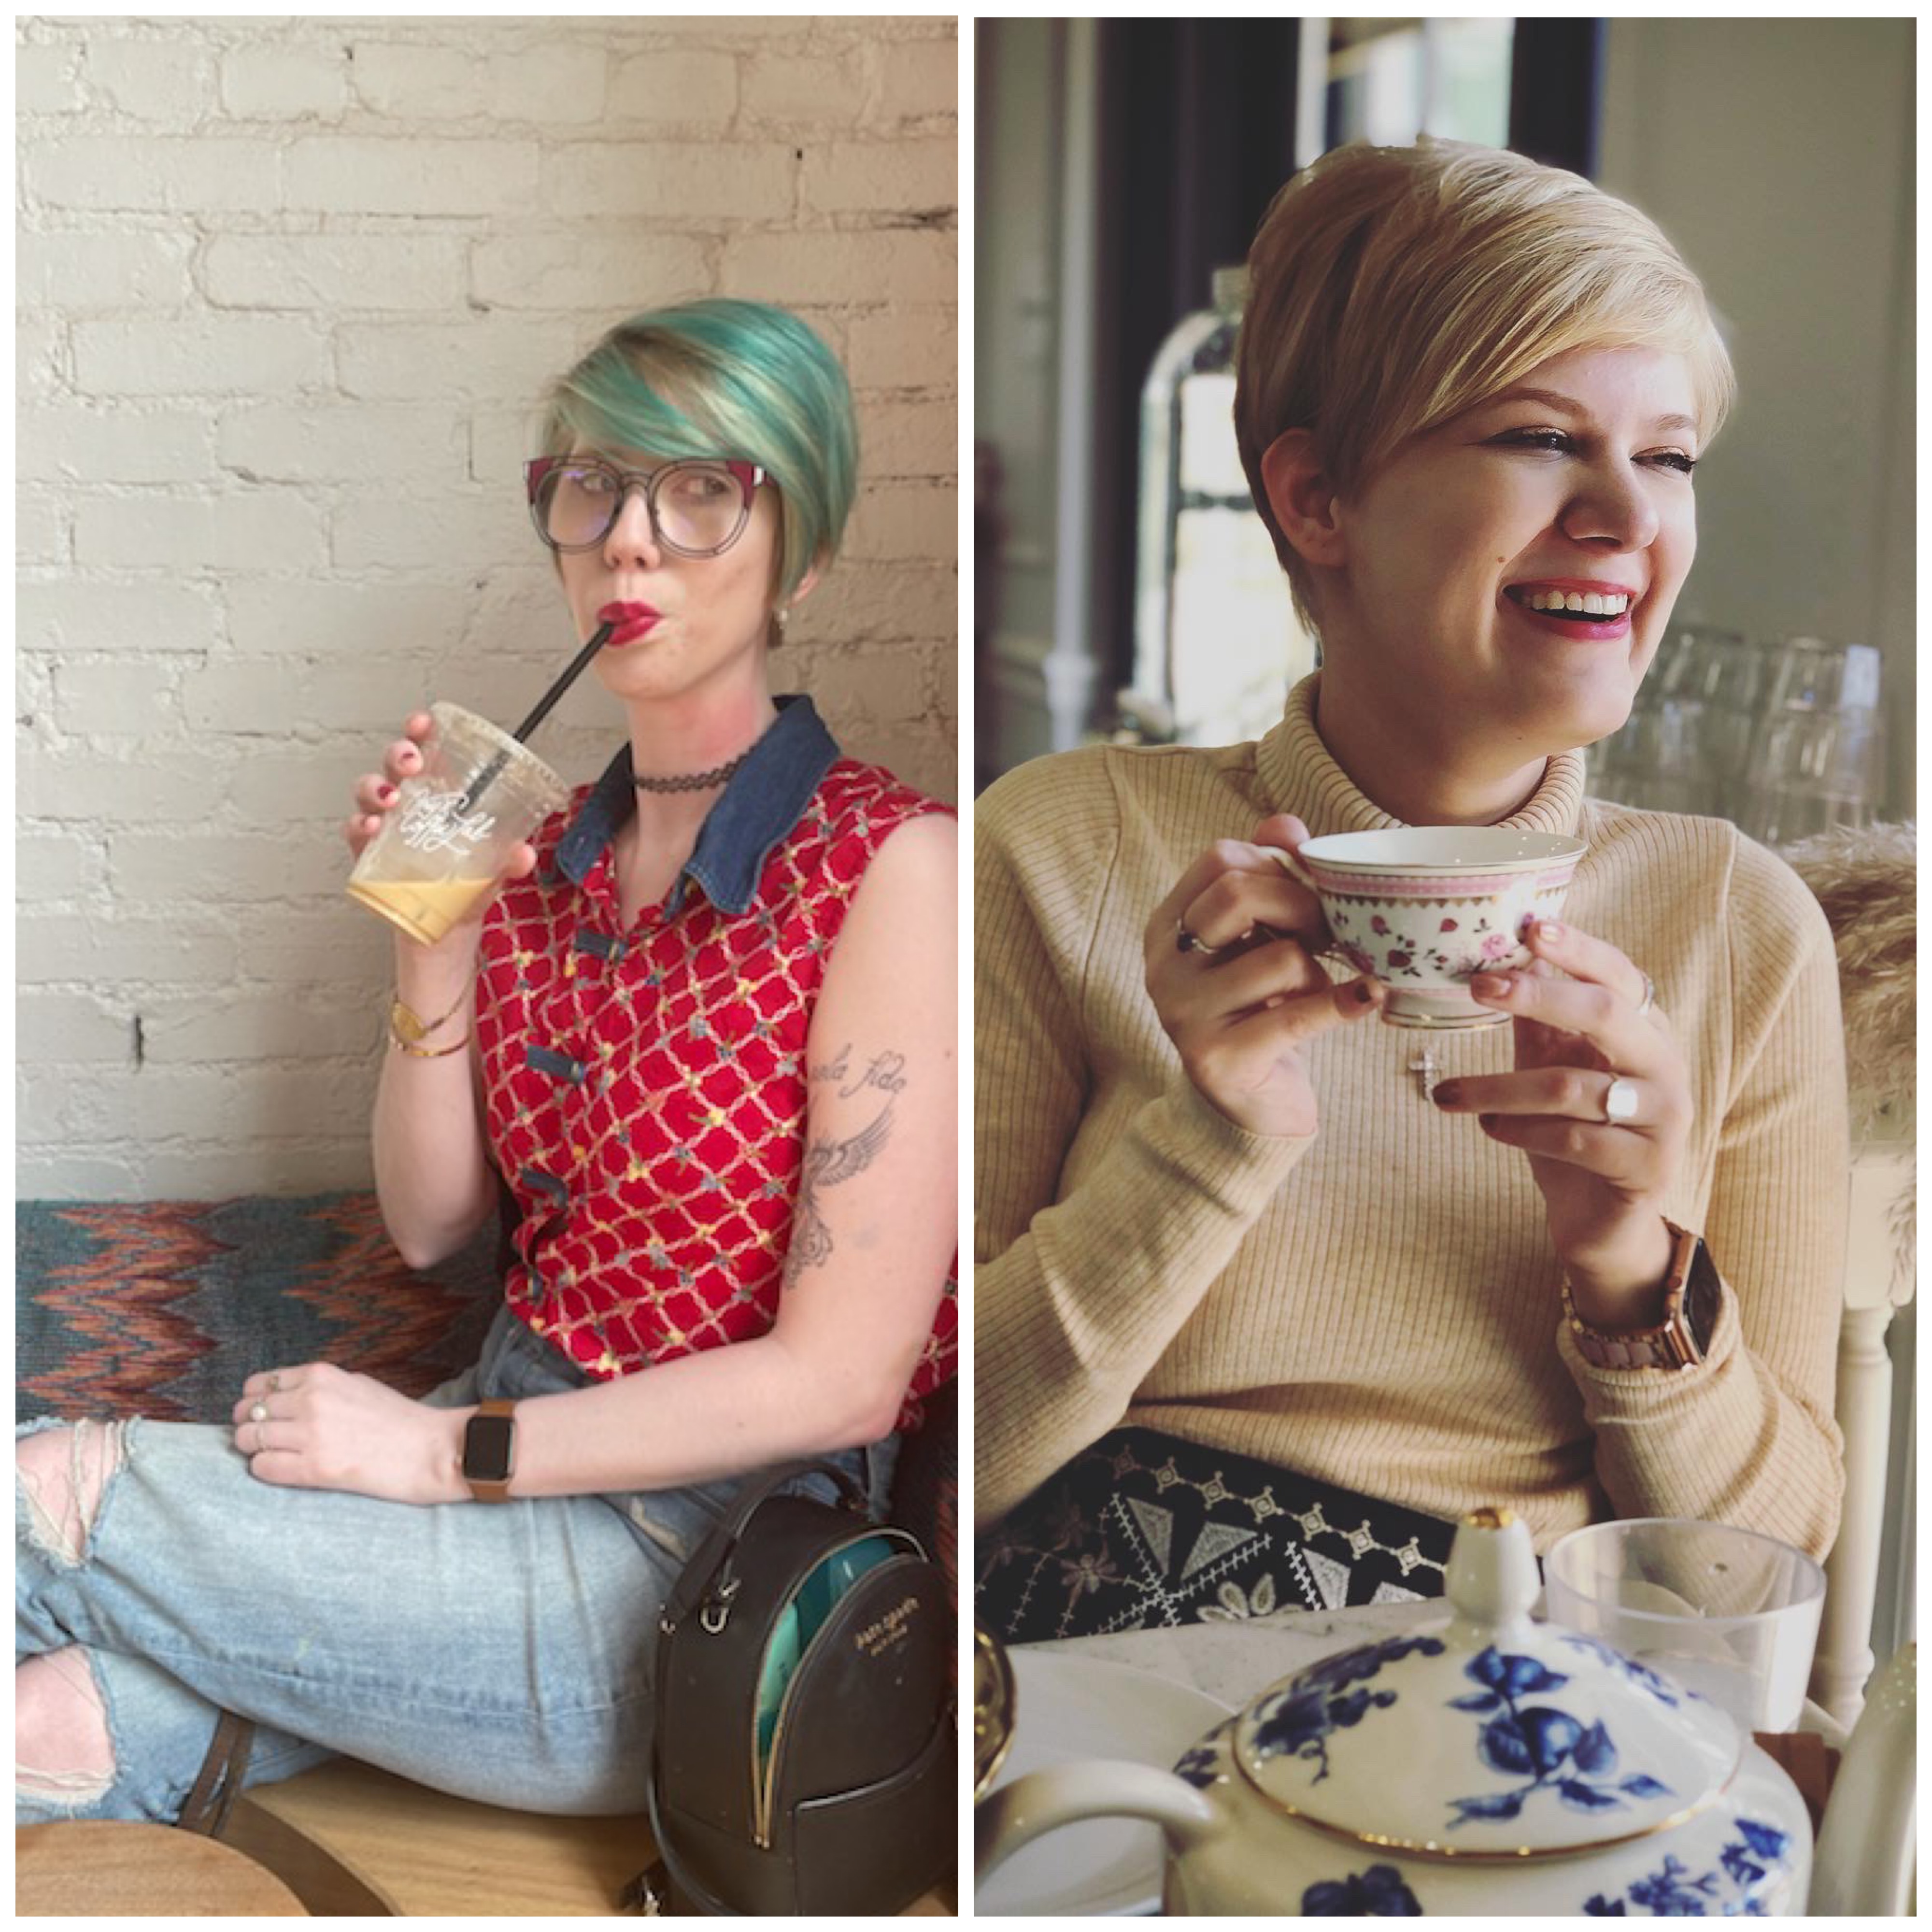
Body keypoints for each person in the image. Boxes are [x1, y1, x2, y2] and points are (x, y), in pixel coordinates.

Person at [18, 298, 959, 1821]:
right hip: (477, 1517)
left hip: (689, 1590)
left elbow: (846, 1381)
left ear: (809, 547)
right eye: (590, 488)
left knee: (45, 1493)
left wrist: (439, 1451)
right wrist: (431, 948)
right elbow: (435, 1222)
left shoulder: (888, 863)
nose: (630, 542)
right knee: (53, 1725)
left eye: (701, 488)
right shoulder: (542, 857)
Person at [974, 140, 1847, 1642]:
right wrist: (1206, 1148)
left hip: (1511, 1724)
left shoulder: (1735, 922)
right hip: (1087, 1700)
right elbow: (920, 1462)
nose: (1628, 523)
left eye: (1669, 456)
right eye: (1537, 437)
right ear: (1318, 498)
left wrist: (1634, 1278)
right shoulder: (1070, 844)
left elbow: (1749, 1597)